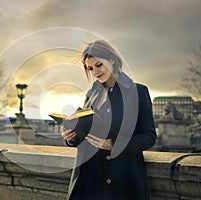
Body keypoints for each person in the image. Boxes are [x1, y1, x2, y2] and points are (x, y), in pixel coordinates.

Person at [62, 39, 157, 200]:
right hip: (89, 181)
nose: (95, 72)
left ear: (112, 59)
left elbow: (149, 137)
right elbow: (87, 133)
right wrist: (72, 137)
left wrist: (114, 145)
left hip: (123, 182)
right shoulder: (91, 94)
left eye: (99, 65)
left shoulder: (138, 92)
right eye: (90, 68)